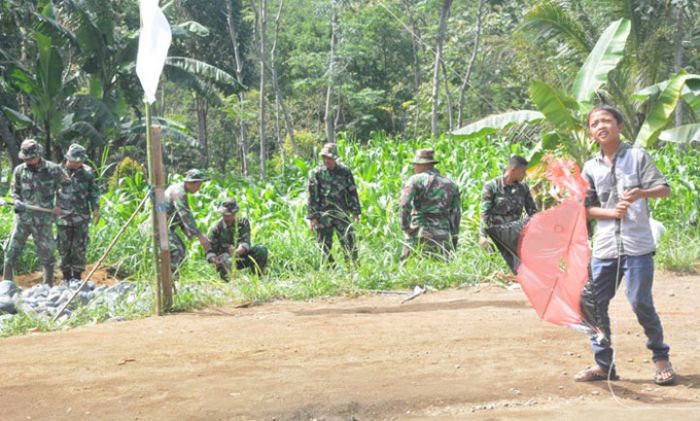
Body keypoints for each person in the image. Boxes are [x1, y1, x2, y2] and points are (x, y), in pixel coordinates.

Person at [574, 104, 675, 385]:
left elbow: (664, 189)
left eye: (606, 120)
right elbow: (584, 209)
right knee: (593, 303)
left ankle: (661, 358)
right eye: (595, 123)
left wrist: (642, 192)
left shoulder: (638, 156)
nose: (601, 126)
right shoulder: (590, 167)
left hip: (637, 245)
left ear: (620, 126)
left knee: (639, 301)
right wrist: (610, 213)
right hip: (605, 247)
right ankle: (603, 364)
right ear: (591, 133)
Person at [3, 139, 67, 286]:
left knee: (47, 252)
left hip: (43, 219)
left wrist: (59, 204)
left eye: (30, 158)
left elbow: (66, 187)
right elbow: (14, 191)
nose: (28, 161)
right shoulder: (19, 170)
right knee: (12, 249)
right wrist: (17, 201)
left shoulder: (53, 169)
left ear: (38, 155)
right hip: (23, 218)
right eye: (25, 159)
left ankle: (48, 286)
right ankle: (7, 285)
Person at [399, 148, 461, 261]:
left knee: (408, 269)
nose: (414, 167)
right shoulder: (451, 184)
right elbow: (456, 213)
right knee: (442, 271)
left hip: (419, 232)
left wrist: (406, 227)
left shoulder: (415, 180)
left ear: (423, 165)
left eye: (415, 164)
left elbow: (404, 204)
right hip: (442, 234)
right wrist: (454, 237)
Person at [480, 155, 537, 272]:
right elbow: (485, 212)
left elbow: (532, 211)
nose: (525, 175)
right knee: (497, 266)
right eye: (523, 172)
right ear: (513, 170)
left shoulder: (523, 188)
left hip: (514, 234)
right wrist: (483, 236)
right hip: (496, 234)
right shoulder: (492, 186)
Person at [307, 143, 361, 264]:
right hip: (323, 215)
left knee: (349, 242)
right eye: (324, 157)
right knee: (323, 246)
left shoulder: (345, 172)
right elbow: (312, 196)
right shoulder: (317, 173)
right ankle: (329, 270)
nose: (327, 160)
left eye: (329, 158)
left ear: (335, 158)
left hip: (341, 213)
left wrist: (355, 212)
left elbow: (352, 192)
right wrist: (313, 217)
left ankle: (353, 269)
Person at [56, 144, 100, 282]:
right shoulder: (57, 171)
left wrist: (96, 209)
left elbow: (94, 192)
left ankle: (77, 277)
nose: (78, 163)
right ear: (68, 158)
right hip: (62, 217)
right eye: (75, 161)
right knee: (64, 247)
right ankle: (66, 276)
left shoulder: (87, 172)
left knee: (79, 247)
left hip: (81, 217)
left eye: (80, 161)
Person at [206, 199, 268, 280]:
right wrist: (214, 260)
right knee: (226, 259)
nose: (227, 217)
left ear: (235, 213)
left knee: (261, 250)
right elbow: (210, 251)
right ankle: (227, 282)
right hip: (224, 259)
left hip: (240, 255)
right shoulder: (216, 228)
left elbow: (245, 243)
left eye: (230, 215)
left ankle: (259, 278)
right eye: (225, 215)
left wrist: (236, 252)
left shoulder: (243, 223)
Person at [164, 169, 211, 275]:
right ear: (191, 182)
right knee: (177, 250)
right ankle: (170, 279)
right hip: (158, 227)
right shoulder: (179, 192)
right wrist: (200, 236)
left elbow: (176, 215)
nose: (199, 189)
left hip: (163, 227)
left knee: (180, 249)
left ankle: (171, 278)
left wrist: (187, 232)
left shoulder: (178, 189)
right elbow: (185, 215)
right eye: (198, 185)